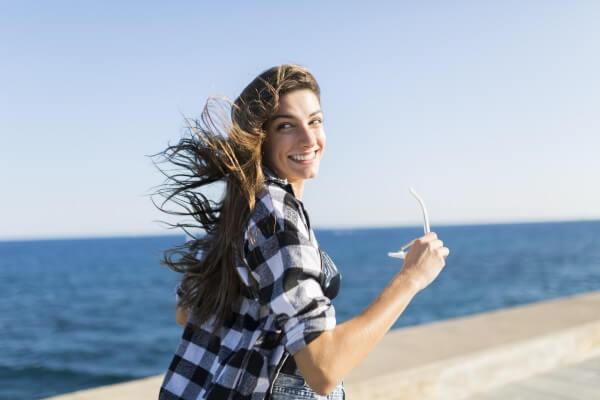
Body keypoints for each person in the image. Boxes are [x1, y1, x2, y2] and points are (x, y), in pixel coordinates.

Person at [153, 64, 449, 399]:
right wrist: (411, 279)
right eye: (286, 126)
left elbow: (186, 313)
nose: (309, 139)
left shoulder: (239, 208)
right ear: (260, 138)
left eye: (315, 121)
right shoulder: (278, 216)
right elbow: (323, 369)